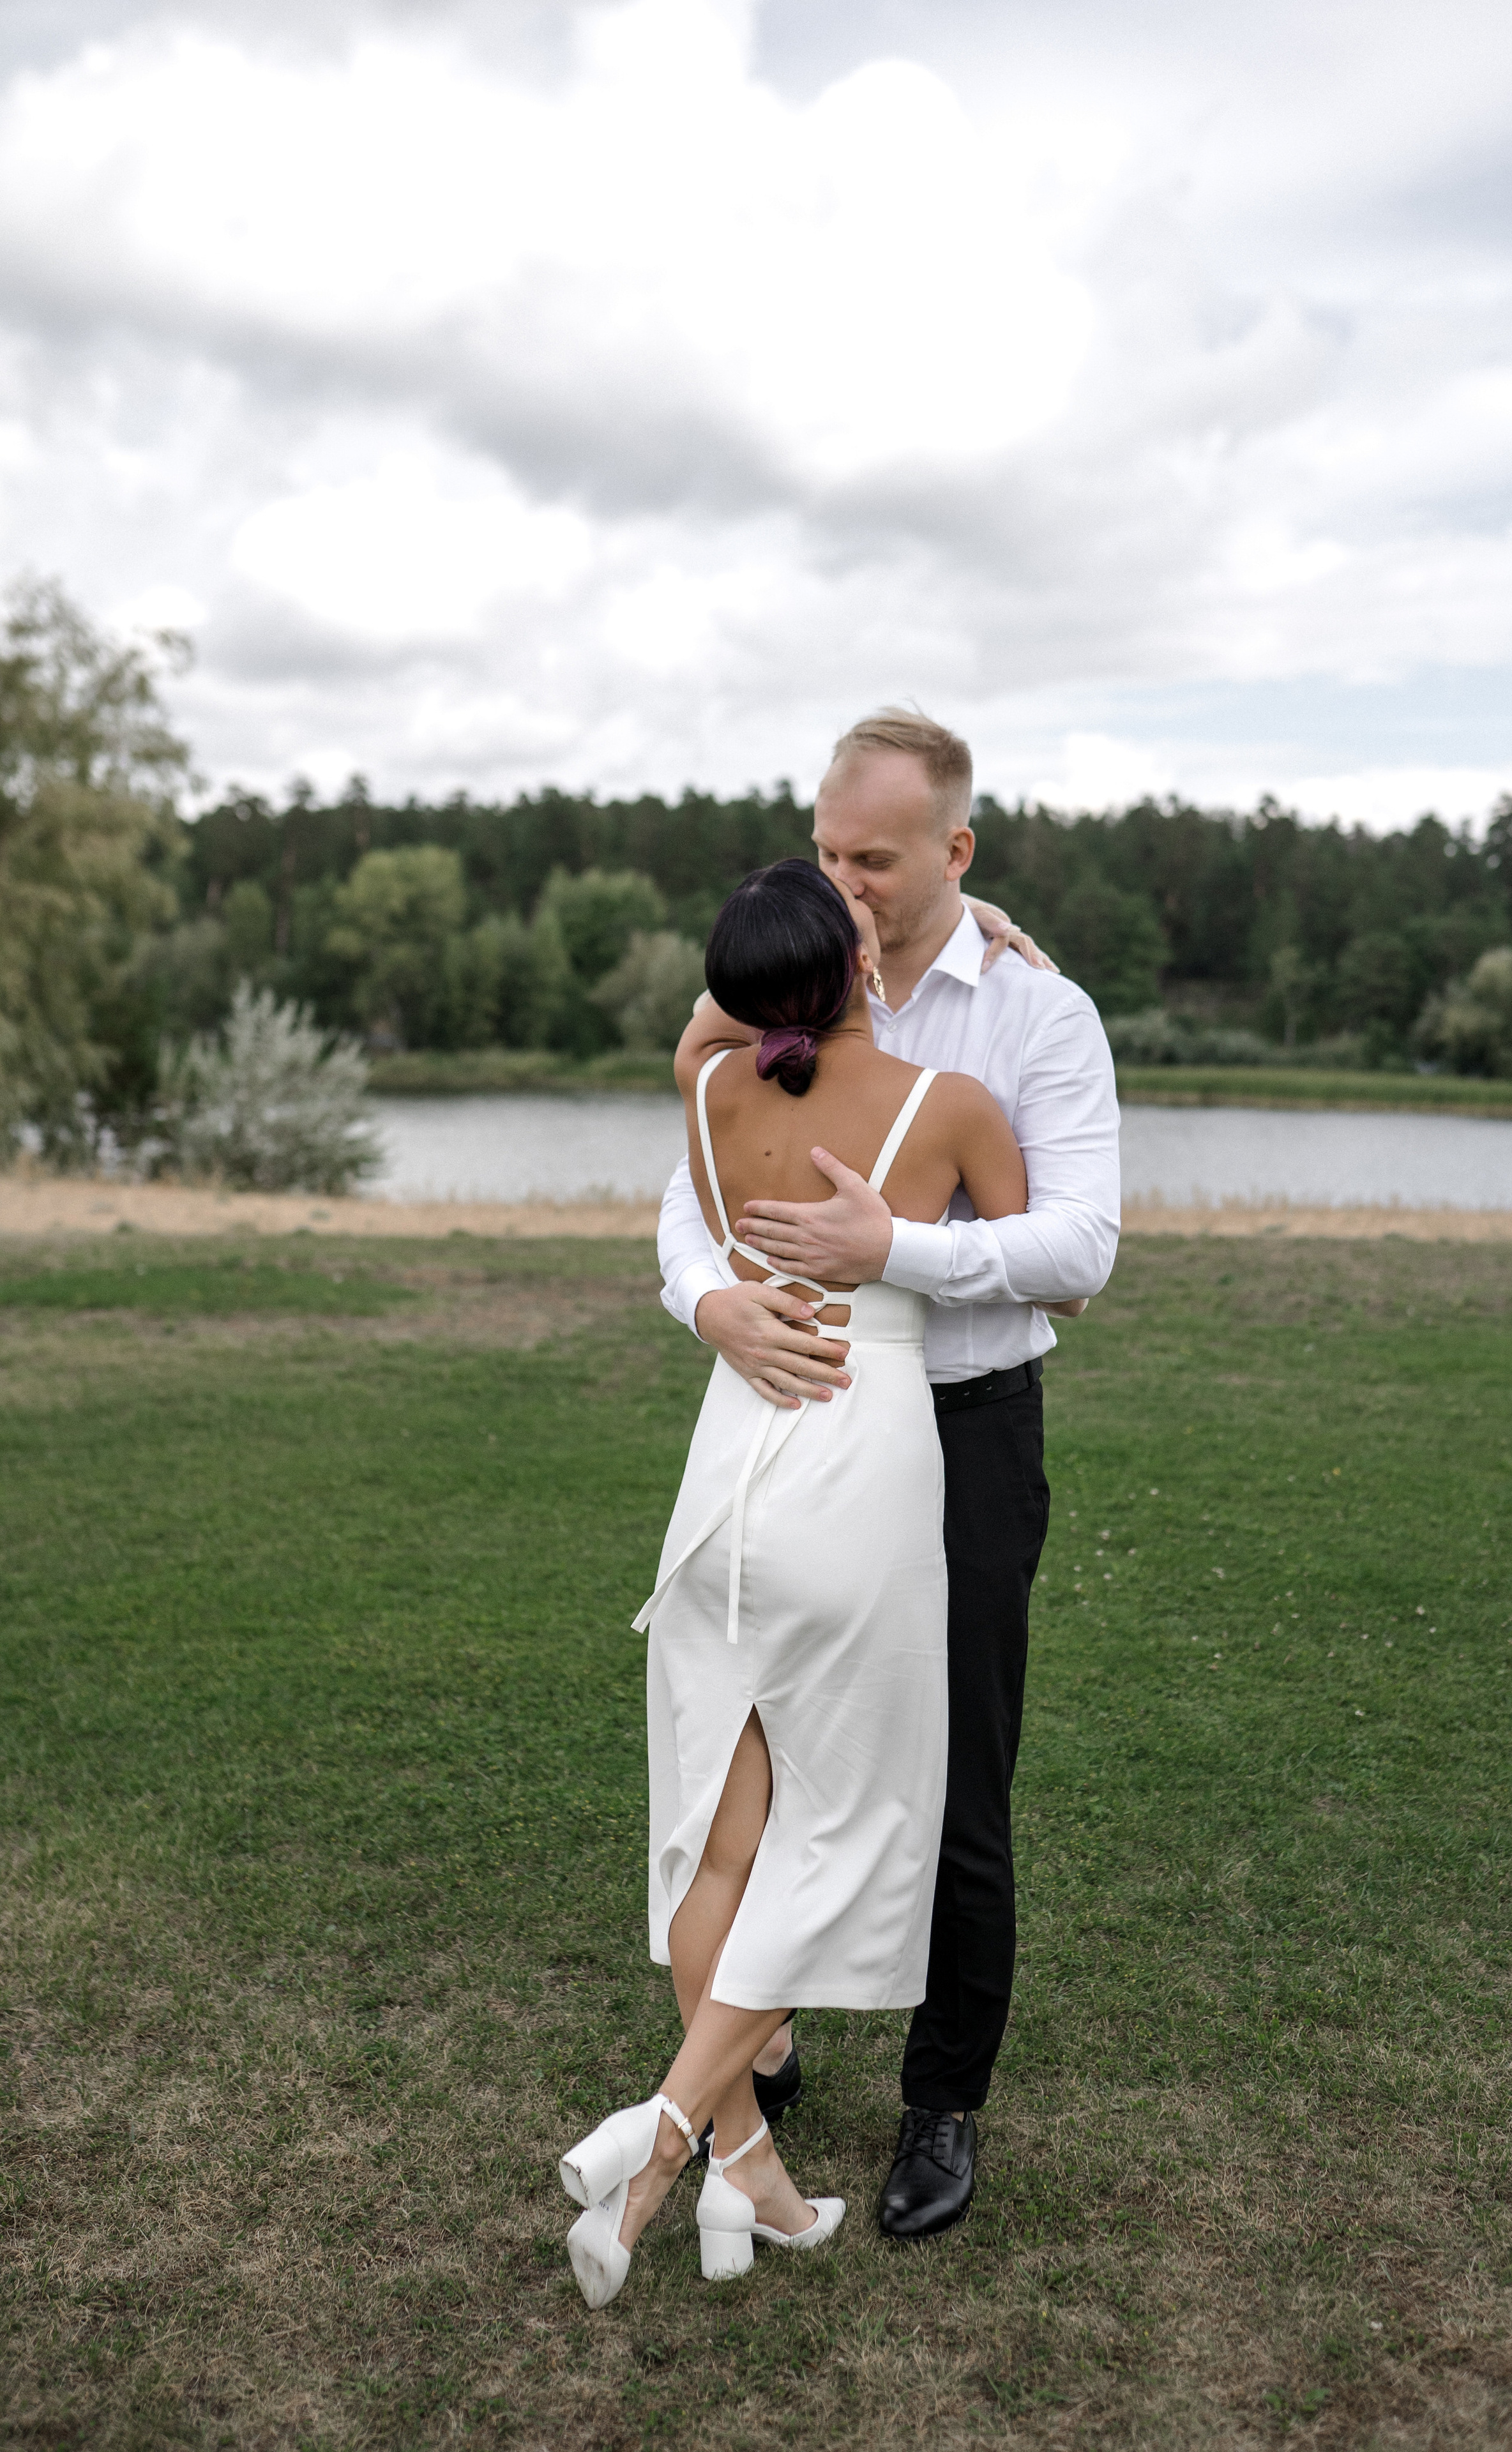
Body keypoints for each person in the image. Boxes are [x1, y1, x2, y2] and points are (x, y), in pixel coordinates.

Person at [657, 708, 1120, 2239]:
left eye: (873, 857)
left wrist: (892, 1251)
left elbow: (1076, 1250)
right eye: (826, 847)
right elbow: (690, 1185)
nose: (841, 878)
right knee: (761, 1757)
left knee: (954, 1781)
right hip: (785, 1410)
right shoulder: (776, 976)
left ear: (954, 853)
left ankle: (942, 2100)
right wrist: (711, 1302)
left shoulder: (1038, 1014)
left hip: (964, 1433)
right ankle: (758, 2040)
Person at [559, 856, 1033, 2309]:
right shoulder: (946, 1106)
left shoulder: (707, 1098)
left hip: (728, 1469)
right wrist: (905, 1237)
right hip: (858, 1459)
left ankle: (746, 2170)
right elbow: (1044, 1274)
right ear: (857, 964)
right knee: (852, 1827)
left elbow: (717, 1026)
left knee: (722, 1833)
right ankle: (665, 2136)